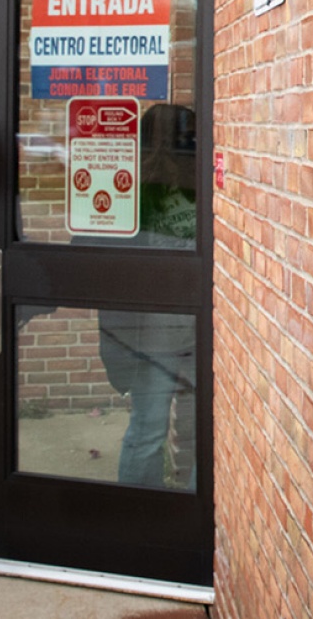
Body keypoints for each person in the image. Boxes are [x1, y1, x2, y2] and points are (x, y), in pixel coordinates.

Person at [99, 103, 200, 489]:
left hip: (194, 322)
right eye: (187, 134)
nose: (194, 140)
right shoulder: (135, 187)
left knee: (198, 428)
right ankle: (138, 516)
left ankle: (192, 516)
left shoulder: (199, 180)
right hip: (153, 333)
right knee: (149, 427)